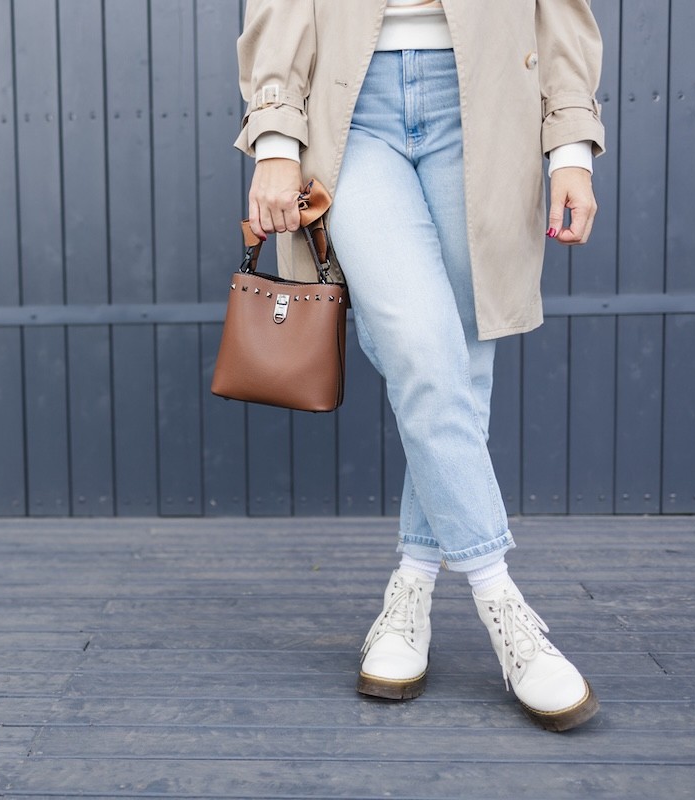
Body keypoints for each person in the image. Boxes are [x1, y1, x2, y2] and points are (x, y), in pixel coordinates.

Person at [235, 0, 605, 732]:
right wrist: (276, 132)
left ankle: (411, 590)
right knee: (423, 349)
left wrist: (570, 147)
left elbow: (561, 13)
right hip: (350, 106)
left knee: (461, 365)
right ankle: (505, 608)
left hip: (491, 104)